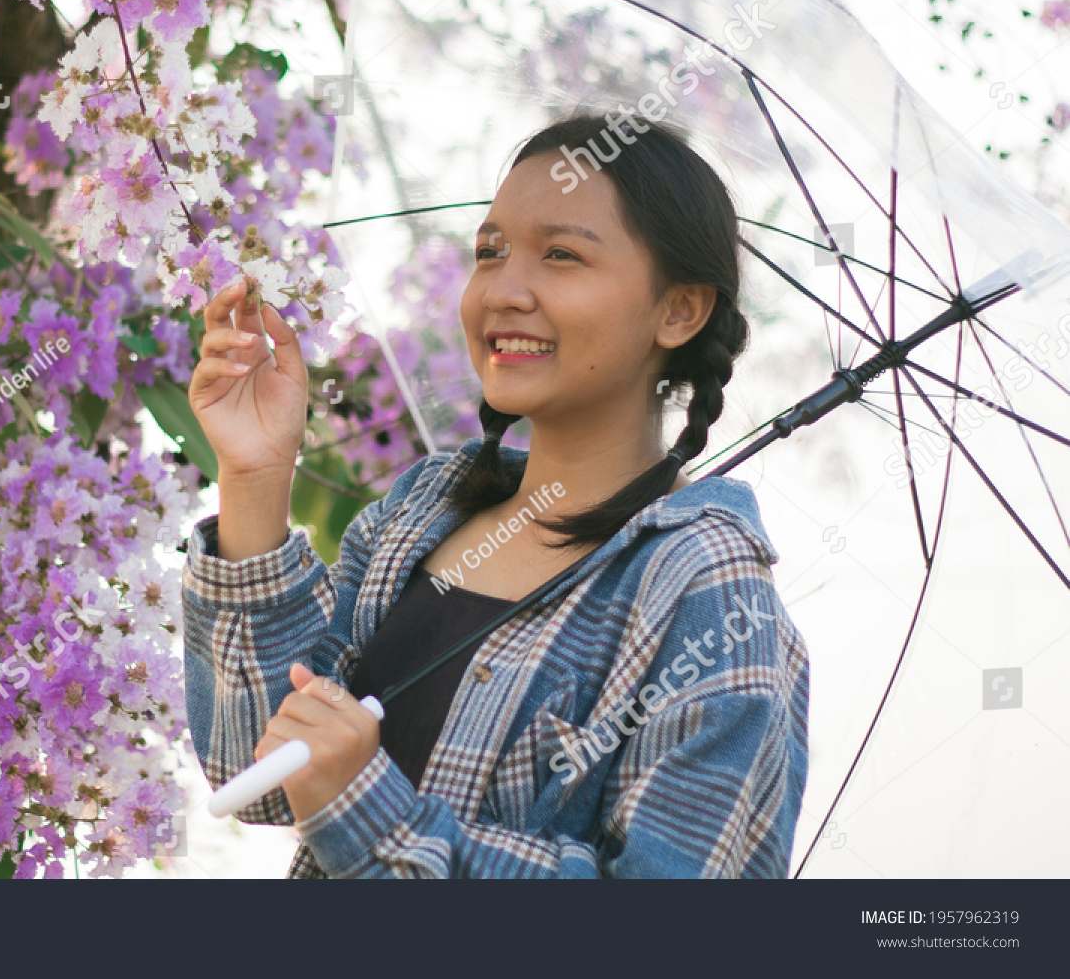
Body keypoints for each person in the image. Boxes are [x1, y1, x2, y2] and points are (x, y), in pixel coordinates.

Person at [180, 110, 810, 878]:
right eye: (491, 252)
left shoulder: (705, 588)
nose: (503, 290)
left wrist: (372, 814)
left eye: (561, 255)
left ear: (679, 309)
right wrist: (254, 474)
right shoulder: (425, 507)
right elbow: (259, 775)